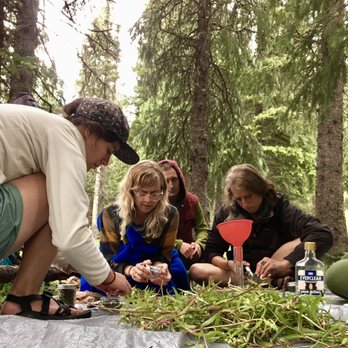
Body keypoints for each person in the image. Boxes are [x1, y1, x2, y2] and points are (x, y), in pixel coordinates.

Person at [0, 97, 138, 320]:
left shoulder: (44, 131)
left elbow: (59, 236)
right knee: (54, 195)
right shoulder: (66, 136)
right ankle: (23, 299)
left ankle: (23, 300)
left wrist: (78, 264)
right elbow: (70, 236)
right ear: (89, 132)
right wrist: (109, 277)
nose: (106, 162)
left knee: (58, 202)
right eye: (108, 151)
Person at [189, 164, 333, 288]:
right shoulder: (227, 212)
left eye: (249, 196)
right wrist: (229, 264)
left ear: (259, 189)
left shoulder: (279, 207)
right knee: (197, 270)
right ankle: (258, 284)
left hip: (274, 266)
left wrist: (285, 264)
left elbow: (322, 233)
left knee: (302, 240)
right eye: (239, 199)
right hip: (242, 275)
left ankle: (273, 279)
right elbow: (211, 251)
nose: (245, 204)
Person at [80, 160, 190, 294]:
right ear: (130, 191)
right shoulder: (110, 214)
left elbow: (163, 256)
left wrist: (157, 271)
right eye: (142, 193)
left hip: (150, 265)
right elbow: (108, 259)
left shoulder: (170, 214)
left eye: (155, 194)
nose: (148, 200)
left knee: (176, 278)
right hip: (119, 264)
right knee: (97, 284)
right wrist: (131, 270)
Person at [158, 160, 208, 269]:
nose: (171, 185)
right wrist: (179, 245)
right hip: (164, 254)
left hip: (190, 254)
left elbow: (202, 228)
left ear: (180, 179)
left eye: (174, 180)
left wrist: (199, 245)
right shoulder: (154, 204)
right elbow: (154, 235)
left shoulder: (192, 201)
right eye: (166, 181)